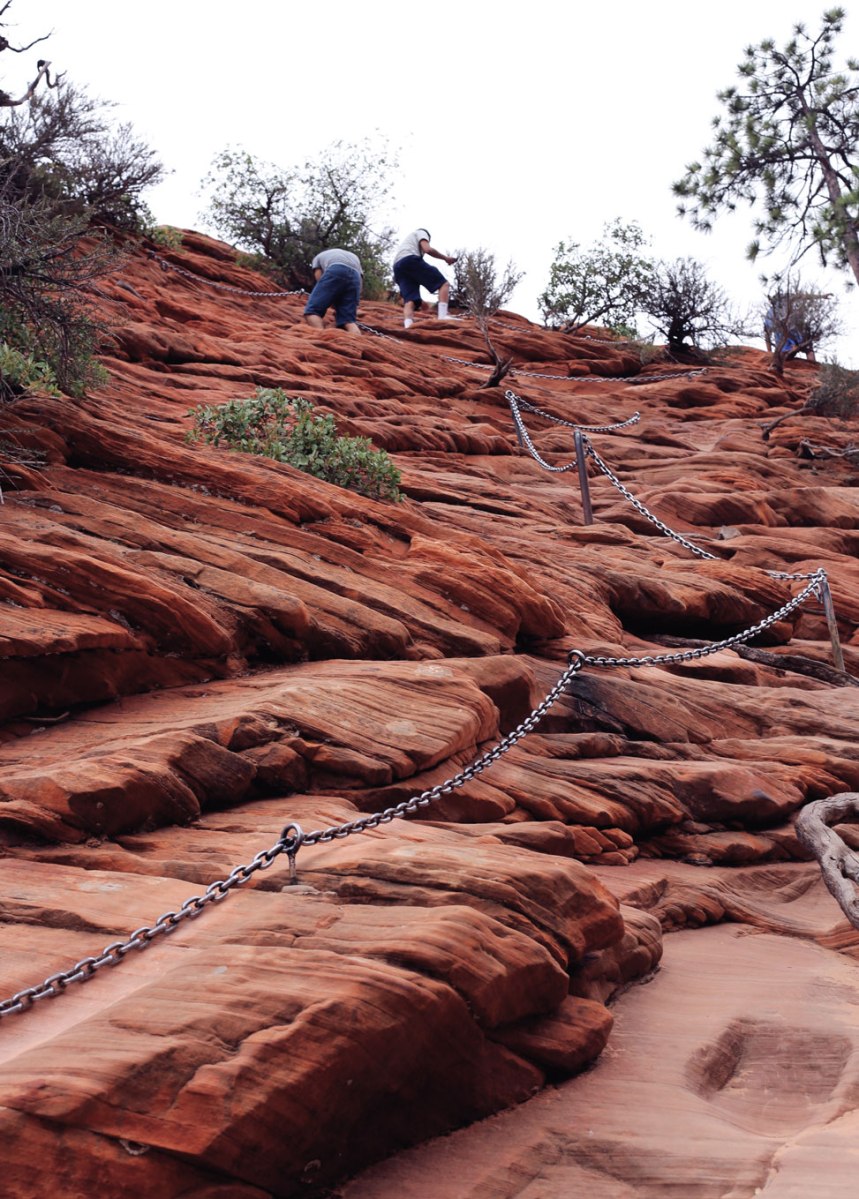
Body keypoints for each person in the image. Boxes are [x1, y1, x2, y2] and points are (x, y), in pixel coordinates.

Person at [392, 228, 457, 328]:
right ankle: (443, 315)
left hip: (397, 267)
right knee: (444, 284)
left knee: (410, 300)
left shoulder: (408, 243)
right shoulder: (421, 232)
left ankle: (408, 326)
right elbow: (427, 249)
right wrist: (445, 258)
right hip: (409, 260)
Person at [303, 248, 363, 336]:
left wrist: (328, 297)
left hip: (336, 269)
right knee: (348, 321)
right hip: (356, 276)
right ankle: (357, 344)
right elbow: (360, 283)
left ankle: (321, 340)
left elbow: (319, 278)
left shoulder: (317, 258)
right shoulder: (353, 257)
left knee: (312, 311)